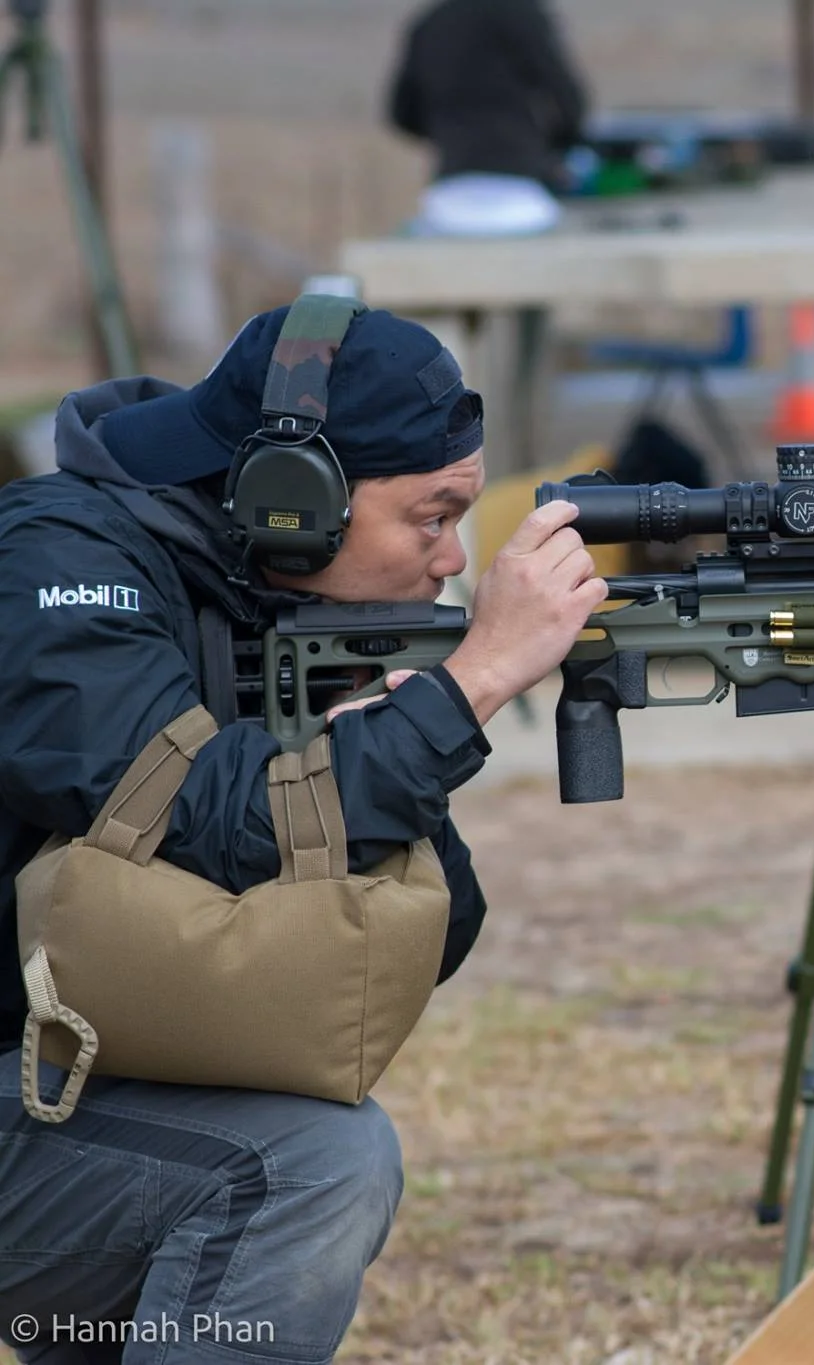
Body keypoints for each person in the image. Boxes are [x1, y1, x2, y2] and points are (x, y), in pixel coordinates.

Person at [0, 302, 607, 1362]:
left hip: (45, 1076)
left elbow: (426, 933)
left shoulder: (255, 598)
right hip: (26, 1077)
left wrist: (385, 722)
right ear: (294, 500)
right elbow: (193, 809)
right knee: (306, 1162)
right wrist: (470, 689)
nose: (449, 561)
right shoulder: (49, 571)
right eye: (432, 517)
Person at [384, 0, 590, 235]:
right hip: (523, 196)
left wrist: (449, 137)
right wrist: (551, 151)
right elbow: (570, 102)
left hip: (450, 197)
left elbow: (401, 114)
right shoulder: (523, 14)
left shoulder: (430, 23)